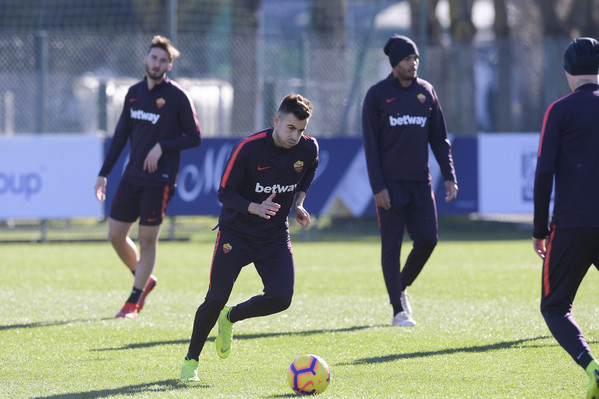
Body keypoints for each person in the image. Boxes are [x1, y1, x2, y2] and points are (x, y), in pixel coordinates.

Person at [180, 93, 319, 382]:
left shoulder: (307, 148)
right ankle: (190, 362)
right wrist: (254, 207)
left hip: (274, 236)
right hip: (237, 233)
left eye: (302, 130)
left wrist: (299, 203)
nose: (296, 136)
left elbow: (309, 170)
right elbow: (224, 193)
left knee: (281, 298)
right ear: (277, 120)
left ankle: (230, 317)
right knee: (215, 297)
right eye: (291, 128)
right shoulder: (248, 148)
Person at [94, 35, 201, 319]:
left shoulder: (177, 97)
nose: (157, 63)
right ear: (146, 60)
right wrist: (104, 173)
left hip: (160, 179)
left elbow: (194, 138)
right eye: (154, 58)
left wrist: (162, 146)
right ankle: (144, 279)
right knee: (115, 236)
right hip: (132, 177)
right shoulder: (133, 93)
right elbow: (120, 137)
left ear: (169, 65)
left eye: (163, 60)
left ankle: (133, 300)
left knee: (146, 241)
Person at [361, 34, 458, 327]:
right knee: (391, 246)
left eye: (415, 58)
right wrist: (378, 186)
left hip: (420, 183)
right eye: (407, 59)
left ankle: (399, 287)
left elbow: (439, 139)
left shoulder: (426, 92)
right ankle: (397, 311)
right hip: (390, 186)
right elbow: (371, 146)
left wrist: (450, 175)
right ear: (394, 63)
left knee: (428, 239)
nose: (412, 63)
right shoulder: (377, 95)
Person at [533, 37, 599, 399]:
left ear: (568, 72)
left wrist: (539, 230)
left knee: (555, 306)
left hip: (571, 226)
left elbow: (543, 174)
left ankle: (593, 367)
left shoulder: (559, 110)